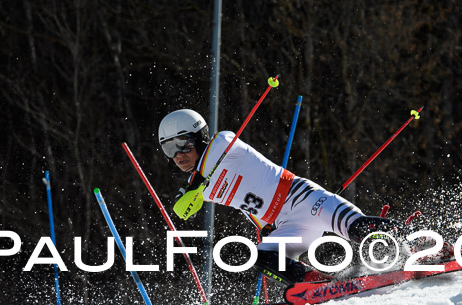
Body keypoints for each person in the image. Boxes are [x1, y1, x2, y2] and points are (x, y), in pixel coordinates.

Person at [158, 109, 406, 285]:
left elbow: (216, 157)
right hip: (289, 225)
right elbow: (240, 203)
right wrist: (265, 225)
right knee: (262, 255)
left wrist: (194, 190)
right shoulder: (199, 185)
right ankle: (316, 284)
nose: (178, 154)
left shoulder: (223, 143)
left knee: (354, 226)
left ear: (200, 137)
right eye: (169, 148)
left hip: (306, 200)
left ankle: (413, 243)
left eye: (183, 143)